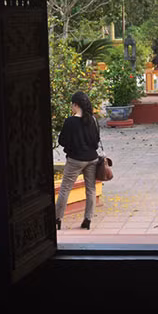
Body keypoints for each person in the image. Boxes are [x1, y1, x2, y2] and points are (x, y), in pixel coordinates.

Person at [55, 91, 100, 230]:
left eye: (72, 105)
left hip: (75, 160)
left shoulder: (70, 121)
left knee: (65, 189)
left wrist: (71, 147)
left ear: (75, 105)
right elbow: (96, 141)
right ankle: (88, 219)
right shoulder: (93, 120)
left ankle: (57, 219)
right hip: (92, 158)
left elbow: (62, 141)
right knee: (91, 189)